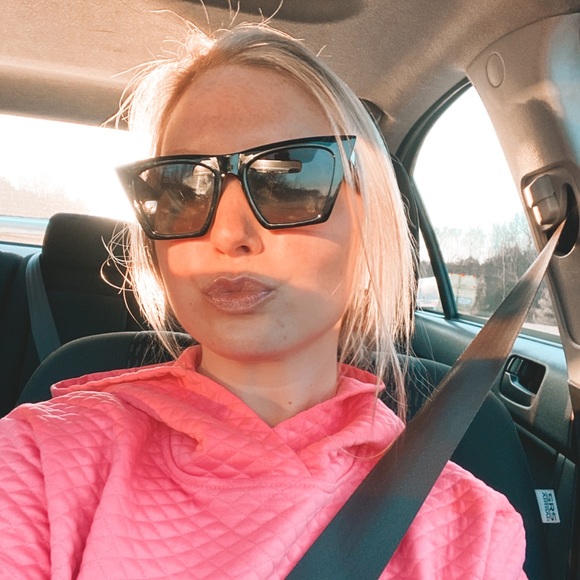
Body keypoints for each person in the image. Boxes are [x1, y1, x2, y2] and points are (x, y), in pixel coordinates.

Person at [0, 22, 526, 579]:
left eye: (287, 182)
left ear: (368, 219)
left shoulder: (471, 530)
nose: (229, 234)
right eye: (181, 189)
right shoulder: (40, 459)